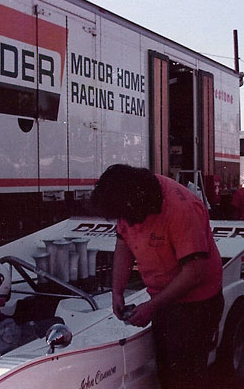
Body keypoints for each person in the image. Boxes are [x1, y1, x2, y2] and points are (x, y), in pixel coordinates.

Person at [91, 164, 224, 389]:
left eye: (129, 217)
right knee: (168, 373)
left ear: (144, 206)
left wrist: (151, 307)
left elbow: (193, 274)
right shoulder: (128, 198)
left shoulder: (181, 209)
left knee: (187, 379)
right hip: (165, 299)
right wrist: (117, 290)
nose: (127, 222)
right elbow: (123, 245)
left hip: (197, 305)